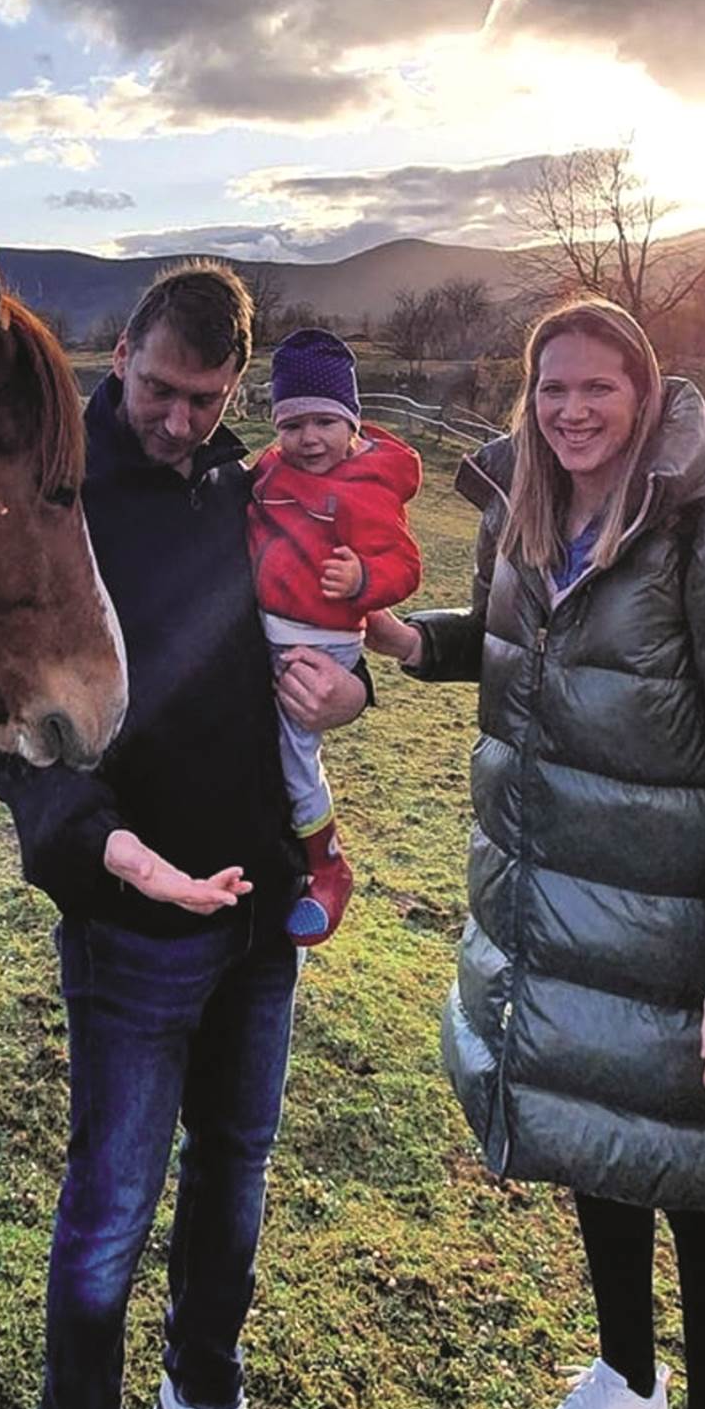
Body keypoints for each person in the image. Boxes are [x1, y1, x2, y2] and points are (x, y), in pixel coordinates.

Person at [367, 296, 705, 1409]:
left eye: (598, 388)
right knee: (596, 1145)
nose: (572, 411)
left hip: (683, 931)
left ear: (645, 391)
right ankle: (628, 1384)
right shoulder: (524, 507)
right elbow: (513, 644)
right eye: (553, 388)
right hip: (561, 907)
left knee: (702, 1189)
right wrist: (421, 645)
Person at [0, 262, 370, 1409]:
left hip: (260, 912)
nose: (181, 422)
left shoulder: (250, 487)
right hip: (132, 917)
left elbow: (313, 635)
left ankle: (200, 1404)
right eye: (162, 391)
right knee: (113, 1203)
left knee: (235, 1170)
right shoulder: (54, 491)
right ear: (122, 352)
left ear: (237, 386)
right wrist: (95, 842)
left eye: (207, 399)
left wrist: (351, 692)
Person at [246, 326, 421, 946]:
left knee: (293, 753)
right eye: (293, 425)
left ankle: (328, 867)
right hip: (268, 627)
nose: (309, 438)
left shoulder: (365, 488)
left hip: (319, 641)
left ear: (352, 423)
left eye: (325, 422)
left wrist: (364, 578)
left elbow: (405, 565)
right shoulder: (272, 467)